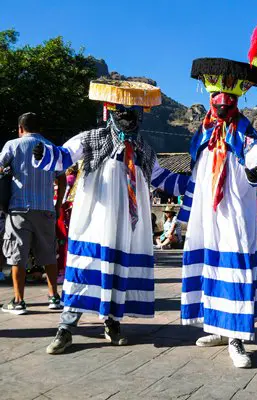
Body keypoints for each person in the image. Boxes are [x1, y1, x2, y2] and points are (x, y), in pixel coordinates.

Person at [32, 79, 188, 354]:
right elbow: (63, 157)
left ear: (140, 115)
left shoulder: (144, 149)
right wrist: (45, 153)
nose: (127, 117)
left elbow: (162, 178)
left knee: (118, 271)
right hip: (94, 221)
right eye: (121, 111)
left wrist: (193, 184)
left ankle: (112, 323)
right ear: (111, 112)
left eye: (133, 112)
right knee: (85, 268)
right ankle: (66, 327)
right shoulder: (91, 138)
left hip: (126, 226)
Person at [180, 58, 257, 369]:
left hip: (233, 211)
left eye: (228, 100)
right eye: (217, 99)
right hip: (207, 214)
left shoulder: (244, 131)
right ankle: (217, 329)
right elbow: (195, 174)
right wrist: (184, 216)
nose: (222, 104)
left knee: (233, 268)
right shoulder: (202, 133)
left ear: (235, 101)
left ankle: (236, 338)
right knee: (210, 266)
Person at [0, 112, 64, 315]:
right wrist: (58, 204)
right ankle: (54, 297)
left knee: (17, 254)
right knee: (48, 254)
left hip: (18, 208)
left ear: (20, 128)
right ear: (40, 128)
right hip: (46, 208)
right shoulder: (51, 148)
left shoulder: (12, 145)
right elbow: (61, 178)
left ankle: (19, 301)